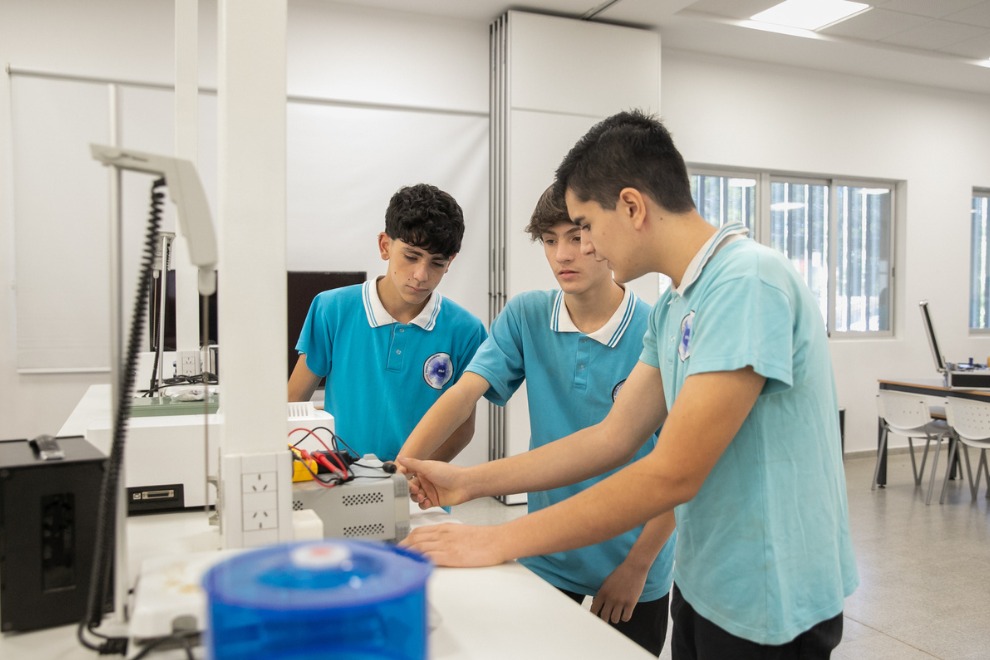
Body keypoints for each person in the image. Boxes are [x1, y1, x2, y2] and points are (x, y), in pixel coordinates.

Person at [398, 111, 859, 659]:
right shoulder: (676, 304)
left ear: (633, 207)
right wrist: (466, 483)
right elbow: (610, 438)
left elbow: (672, 473)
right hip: (708, 582)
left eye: (585, 226)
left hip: (768, 596)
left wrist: (492, 539)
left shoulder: (746, 283)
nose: (579, 248)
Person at [396, 185, 676, 655]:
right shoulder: (527, 315)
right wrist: (403, 466)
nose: (563, 255)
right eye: (549, 240)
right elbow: (465, 393)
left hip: (631, 560)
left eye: (577, 237)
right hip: (546, 549)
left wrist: (638, 566)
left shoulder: (656, 331)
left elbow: (676, 466)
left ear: (605, 235)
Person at [288, 183, 487, 461]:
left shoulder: (466, 331)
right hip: (341, 482)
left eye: (436, 263)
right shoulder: (331, 309)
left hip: (419, 492)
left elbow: (463, 428)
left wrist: (410, 478)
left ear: (450, 261)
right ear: (385, 246)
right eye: (411, 256)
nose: (420, 275)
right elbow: (293, 400)